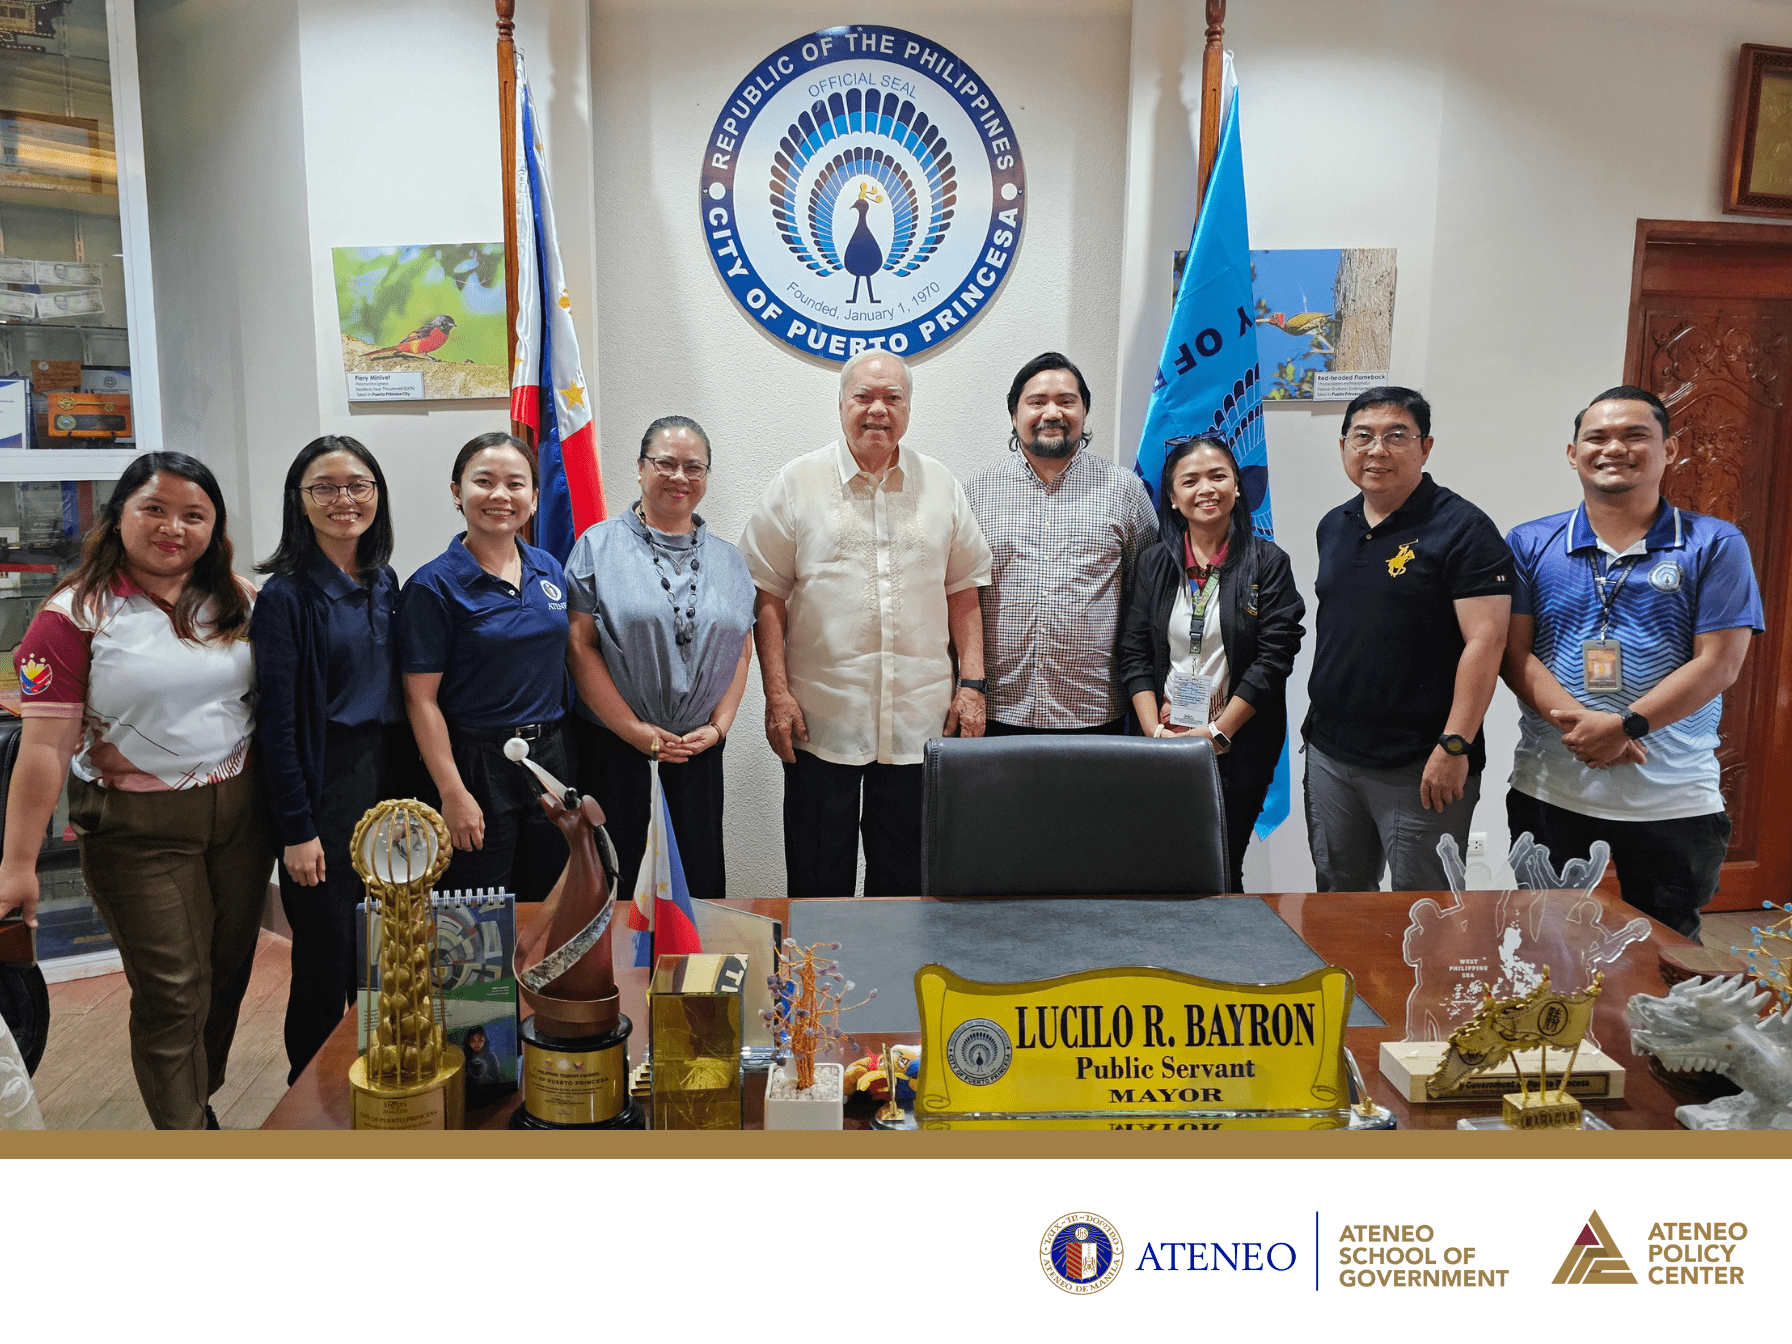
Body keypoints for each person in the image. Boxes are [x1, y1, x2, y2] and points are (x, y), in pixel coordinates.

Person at [0, 452, 269, 1129]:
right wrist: (17, 865)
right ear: (119, 516)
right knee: (174, 991)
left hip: (241, 817)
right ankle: (183, 1137)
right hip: (135, 829)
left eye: (193, 515)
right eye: (154, 508)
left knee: (226, 973)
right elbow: (43, 748)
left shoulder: (238, 598)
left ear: (215, 526)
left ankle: (197, 1098)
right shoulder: (72, 616)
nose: (172, 527)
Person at [1502, 386, 1762, 938]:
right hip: (1552, 787)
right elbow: (1511, 652)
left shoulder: (1714, 543)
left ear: (1669, 449)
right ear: (1573, 453)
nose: (1613, 447)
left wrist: (1624, 726)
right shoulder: (1529, 542)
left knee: (1668, 955)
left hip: (1673, 796)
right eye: (1596, 437)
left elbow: (1719, 663)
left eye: (1635, 435)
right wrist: (1584, 728)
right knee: (1548, 948)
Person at [740, 350, 993, 898]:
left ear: (908, 408)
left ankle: (896, 985)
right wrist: (776, 694)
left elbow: (964, 589)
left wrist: (972, 686)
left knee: (905, 887)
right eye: (864, 397)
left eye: (892, 398)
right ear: (841, 405)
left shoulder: (941, 484)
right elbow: (766, 595)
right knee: (816, 882)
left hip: (918, 725)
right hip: (819, 721)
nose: (878, 409)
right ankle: (816, 986)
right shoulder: (796, 483)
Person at [1303, 386, 1512, 891]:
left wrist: (1454, 744)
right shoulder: (1336, 524)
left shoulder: (1462, 528)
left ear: (1425, 447)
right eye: (1363, 436)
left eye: (1396, 436)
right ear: (1343, 445)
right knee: (1339, 896)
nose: (1377, 450)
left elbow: (1487, 641)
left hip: (1422, 762)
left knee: (1426, 910)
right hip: (1331, 754)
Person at [252, 434, 412, 1084]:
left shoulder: (385, 582)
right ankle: (311, 1104)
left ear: (377, 495)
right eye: (326, 487)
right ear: (301, 500)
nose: (344, 499)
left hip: (386, 790)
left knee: (381, 959)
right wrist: (296, 831)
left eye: (358, 486)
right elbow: (278, 726)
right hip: (322, 794)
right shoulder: (286, 598)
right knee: (323, 965)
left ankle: (376, 1085)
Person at [564, 415, 755, 902]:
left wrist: (719, 728)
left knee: (698, 888)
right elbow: (579, 645)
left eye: (694, 467)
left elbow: (741, 645)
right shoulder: (597, 546)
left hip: (697, 752)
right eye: (665, 463)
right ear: (640, 467)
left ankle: (696, 979)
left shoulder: (730, 560)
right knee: (621, 889)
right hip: (617, 751)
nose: (680, 477)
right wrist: (634, 731)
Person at [1118, 436, 1306, 891]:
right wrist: (1155, 736)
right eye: (1191, 480)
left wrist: (1219, 732)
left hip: (1238, 743)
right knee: (1163, 865)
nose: (1207, 488)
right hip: (1165, 742)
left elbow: (1273, 659)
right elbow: (1134, 652)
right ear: (1172, 497)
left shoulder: (1268, 563)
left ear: (1238, 487)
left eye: (1218, 476)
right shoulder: (1154, 563)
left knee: (1221, 868)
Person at [399, 432, 572, 903]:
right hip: (474, 766)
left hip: (548, 762)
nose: (500, 495)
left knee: (545, 901)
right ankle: (481, 984)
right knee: (477, 917)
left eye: (516, 484)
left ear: (535, 498)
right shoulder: (432, 586)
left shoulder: (550, 570)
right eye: (484, 481)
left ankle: (535, 982)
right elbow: (421, 699)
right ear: (457, 492)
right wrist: (452, 793)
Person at [965, 351, 1158, 735]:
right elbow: (959, 595)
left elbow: (1147, 597)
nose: (1052, 413)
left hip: (1094, 709)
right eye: (1036, 402)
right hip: (998, 708)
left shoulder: (1125, 491)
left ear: (1084, 410)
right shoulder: (975, 492)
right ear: (1014, 414)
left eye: (1066, 401)